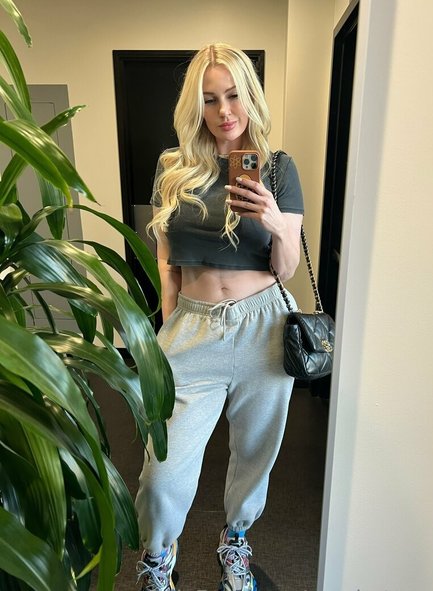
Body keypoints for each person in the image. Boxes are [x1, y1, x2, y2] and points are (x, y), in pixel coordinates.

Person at [135, 42, 304, 591]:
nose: (224, 110)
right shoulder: (172, 167)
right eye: (210, 99)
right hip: (191, 326)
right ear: (197, 106)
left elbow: (286, 268)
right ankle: (158, 558)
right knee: (163, 470)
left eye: (233, 95)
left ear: (250, 96)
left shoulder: (278, 168)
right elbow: (167, 262)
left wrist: (275, 221)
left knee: (255, 453)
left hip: (263, 327)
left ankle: (236, 541)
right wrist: (168, 328)